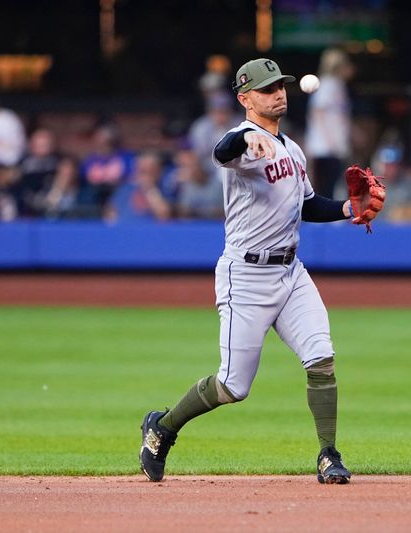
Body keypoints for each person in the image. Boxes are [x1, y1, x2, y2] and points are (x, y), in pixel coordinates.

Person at [139, 58, 376, 485]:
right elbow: (222, 151)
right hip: (245, 277)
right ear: (245, 98)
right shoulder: (241, 142)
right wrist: (249, 137)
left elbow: (306, 204)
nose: (278, 93)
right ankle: (163, 426)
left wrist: (346, 208)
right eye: (267, 89)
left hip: (291, 273)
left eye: (280, 86)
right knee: (233, 386)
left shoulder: (294, 148)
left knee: (321, 357)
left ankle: (328, 455)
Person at [304, 48, 354, 198]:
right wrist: (330, 140)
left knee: (335, 181)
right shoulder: (327, 84)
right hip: (325, 147)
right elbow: (317, 112)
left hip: (335, 145)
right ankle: (323, 218)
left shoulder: (338, 85)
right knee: (326, 184)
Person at [105, 151, 174, 223]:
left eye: (149, 170)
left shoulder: (165, 188)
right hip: (125, 231)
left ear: (158, 170)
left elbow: (164, 216)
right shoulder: (126, 189)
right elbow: (111, 213)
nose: (143, 174)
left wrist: (149, 188)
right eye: (141, 169)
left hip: (149, 231)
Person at [79, 124, 134, 213]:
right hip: (95, 192)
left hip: (117, 189)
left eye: (107, 141)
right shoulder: (91, 159)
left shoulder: (125, 157)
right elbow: (84, 177)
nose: (104, 144)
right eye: (100, 141)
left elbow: (131, 176)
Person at [188, 91, 239, 175]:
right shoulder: (200, 128)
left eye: (225, 111)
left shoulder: (239, 123)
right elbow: (198, 155)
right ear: (210, 111)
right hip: (208, 169)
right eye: (218, 111)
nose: (222, 115)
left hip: (234, 167)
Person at [171, 141, 224, 219]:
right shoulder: (186, 186)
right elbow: (183, 211)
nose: (195, 172)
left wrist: (200, 211)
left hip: (214, 225)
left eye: (197, 168)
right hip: (192, 226)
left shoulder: (217, 185)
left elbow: (223, 211)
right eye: (192, 169)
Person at [15, 128, 60, 217]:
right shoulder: (23, 162)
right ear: (32, 145)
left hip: (51, 198)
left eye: (45, 145)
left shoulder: (59, 161)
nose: (43, 148)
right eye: (40, 145)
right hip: (26, 198)